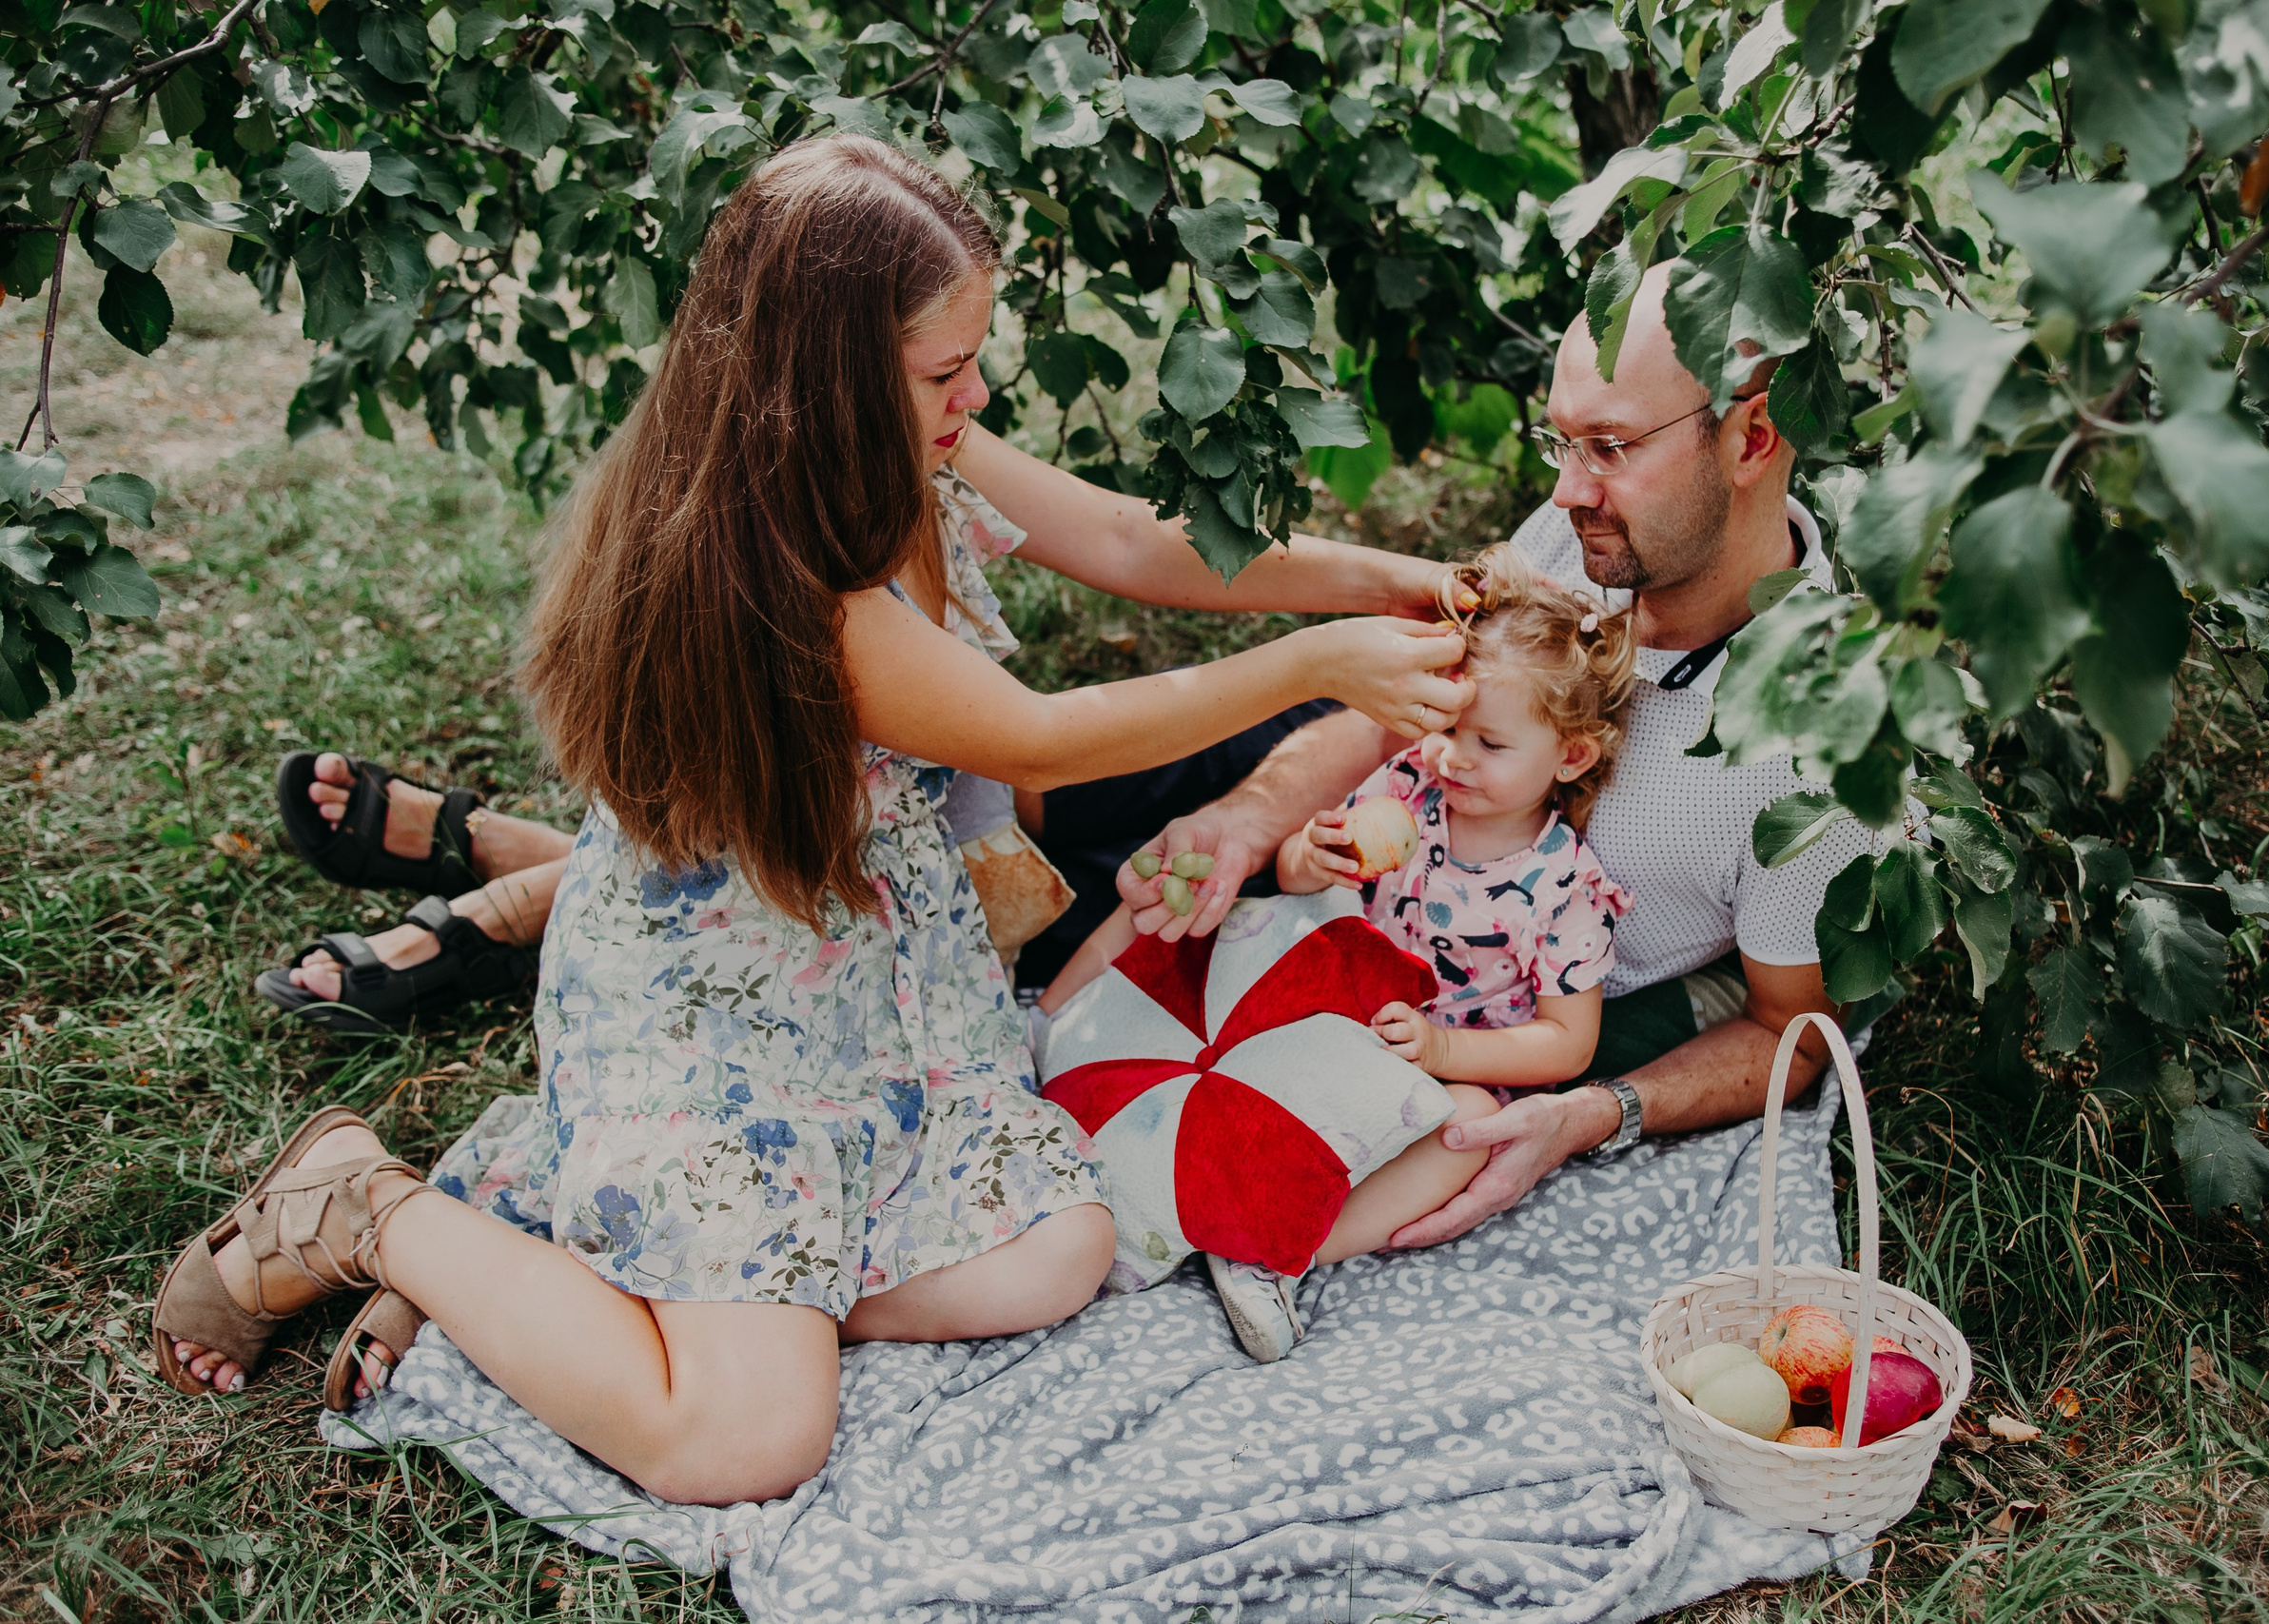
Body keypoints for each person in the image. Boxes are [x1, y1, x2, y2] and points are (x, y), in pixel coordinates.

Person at [152, 136, 1477, 1506]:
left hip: (863, 997)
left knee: (1061, 1247)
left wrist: (1403, 581)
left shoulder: (895, 437)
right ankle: (366, 1204)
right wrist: (1318, 662)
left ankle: (598, 1284)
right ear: (831, 377)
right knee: (746, 1442)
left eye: (975, 357)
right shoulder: (782, 574)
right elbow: (1032, 734)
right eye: (944, 368)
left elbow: (1136, 541)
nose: (977, 391)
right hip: (718, 1028)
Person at [1102, 261, 1883, 1255]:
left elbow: (1788, 1032)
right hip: (1390, 868)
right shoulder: (1581, 546)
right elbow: (1402, 719)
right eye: (1559, 440)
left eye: (1606, 447)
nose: (1564, 493)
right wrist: (1256, 825)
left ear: (1753, 438)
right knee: (1109, 826)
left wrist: (1591, 1113)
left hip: (1513, 1001)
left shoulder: (1813, 750)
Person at [1039, 542, 1640, 1360]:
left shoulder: (1563, 886)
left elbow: (1570, 1041)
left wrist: (1443, 1047)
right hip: (1315, 997)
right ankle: (1055, 1025)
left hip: (1426, 1063)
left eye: (1491, 745)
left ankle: (1280, 1251)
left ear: (1569, 755)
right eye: (1447, 727)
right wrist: (1307, 857)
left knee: (1473, 1127)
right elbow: (1293, 877)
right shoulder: (1409, 787)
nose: (1454, 756)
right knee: (1190, 895)